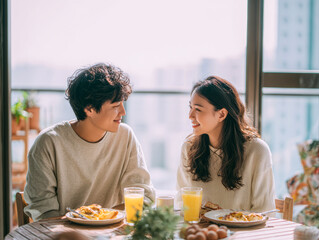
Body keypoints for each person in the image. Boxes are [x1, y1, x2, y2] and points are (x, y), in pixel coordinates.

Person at [24, 63, 155, 221]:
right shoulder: (48, 143)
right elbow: (44, 213)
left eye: (123, 104)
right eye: (115, 106)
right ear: (89, 109)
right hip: (65, 235)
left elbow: (143, 196)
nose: (123, 112)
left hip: (113, 233)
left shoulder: (125, 136)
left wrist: (103, 219)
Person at [177, 76, 275, 212]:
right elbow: (182, 202)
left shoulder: (257, 150)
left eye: (198, 109)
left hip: (243, 232)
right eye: (190, 107)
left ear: (222, 114)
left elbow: (264, 211)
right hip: (200, 230)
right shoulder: (189, 147)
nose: (190, 115)